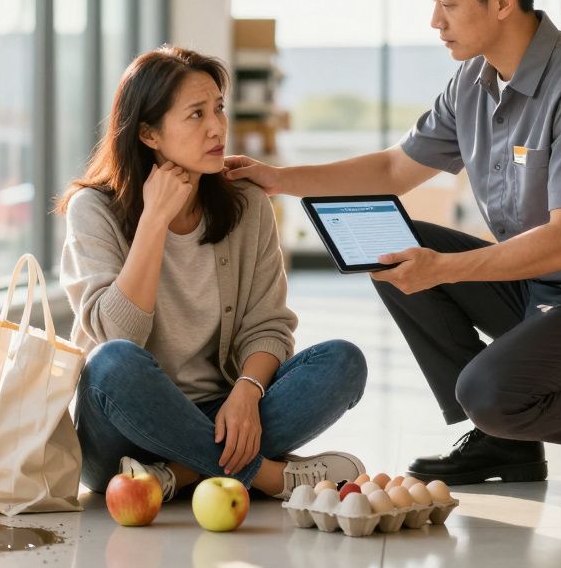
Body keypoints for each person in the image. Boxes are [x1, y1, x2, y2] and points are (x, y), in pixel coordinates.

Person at [226, 0, 561, 496]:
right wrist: (277, 178)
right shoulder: (473, 82)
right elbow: (396, 168)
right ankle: (507, 445)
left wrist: (443, 269)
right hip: (541, 286)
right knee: (391, 252)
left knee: (488, 391)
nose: (434, 21)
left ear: (501, 1)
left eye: (447, 2)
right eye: (432, 2)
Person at [59, 45, 368, 502]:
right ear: (148, 133)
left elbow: (268, 325)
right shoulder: (93, 208)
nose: (217, 127)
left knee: (343, 362)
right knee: (112, 363)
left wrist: (247, 388)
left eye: (219, 109)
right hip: (124, 426)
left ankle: (174, 475)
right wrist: (154, 221)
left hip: (226, 414)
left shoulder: (247, 204)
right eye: (196, 114)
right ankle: (271, 478)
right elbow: (114, 333)